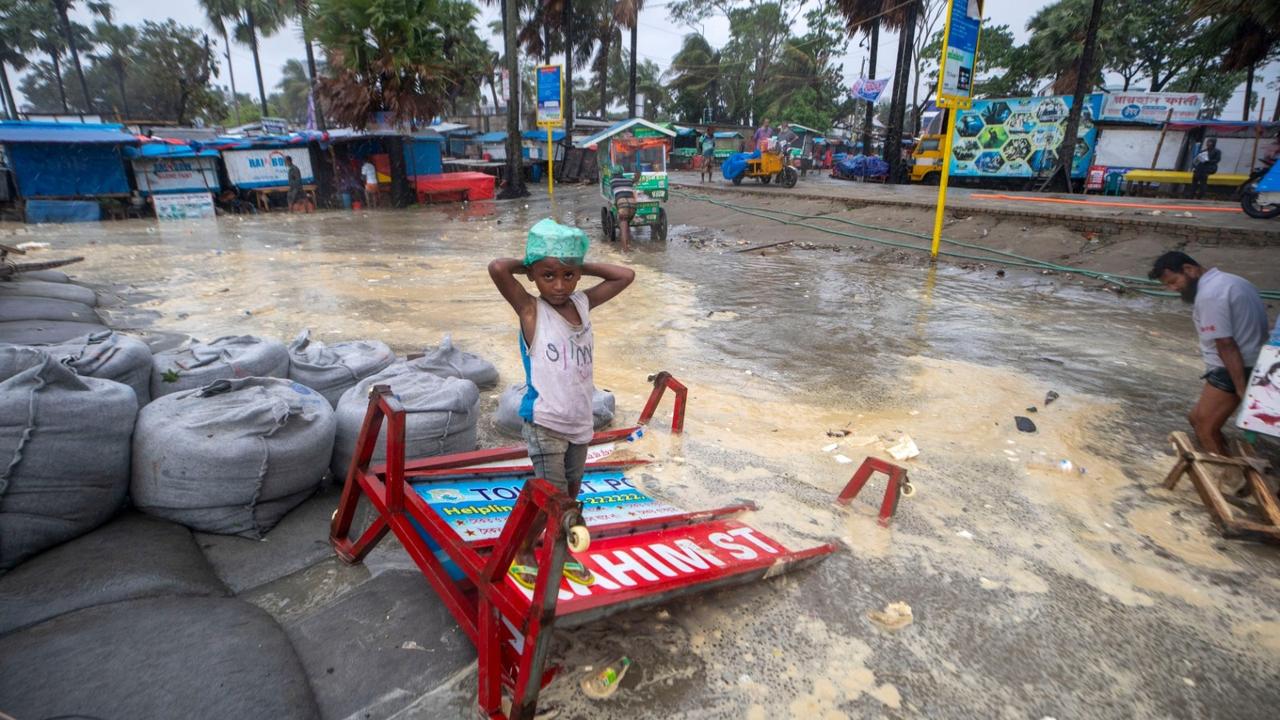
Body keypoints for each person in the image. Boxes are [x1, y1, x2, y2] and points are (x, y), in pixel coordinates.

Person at [488, 221, 636, 590]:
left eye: (567, 275)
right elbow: (497, 268)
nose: (559, 285)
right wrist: (532, 262)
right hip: (545, 424)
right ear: (534, 277)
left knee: (569, 496)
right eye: (548, 276)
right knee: (552, 498)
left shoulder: (583, 302)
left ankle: (559, 550)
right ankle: (523, 550)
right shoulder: (531, 310)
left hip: (579, 424)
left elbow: (625, 275)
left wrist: (578, 265)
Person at [1148, 251, 1269, 457]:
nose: (1173, 289)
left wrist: (1240, 389)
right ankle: (1228, 457)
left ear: (1189, 270)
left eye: (1174, 281)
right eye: (1167, 285)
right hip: (1256, 360)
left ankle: (1229, 478)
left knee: (1205, 427)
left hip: (1235, 367)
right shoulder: (1233, 281)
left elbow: (1225, 343)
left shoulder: (1210, 295)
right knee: (1195, 418)